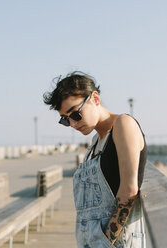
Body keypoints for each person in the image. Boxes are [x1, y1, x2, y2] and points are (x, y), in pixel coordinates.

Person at [43, 72, 147, 247]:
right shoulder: (95, 143)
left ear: (95, 99)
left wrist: (105, 241)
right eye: (65, 120)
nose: (73, 124)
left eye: (75, 114)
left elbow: (129, 190)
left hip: (114, 242)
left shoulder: (123, 124)